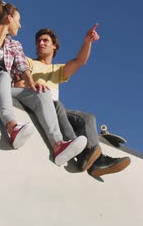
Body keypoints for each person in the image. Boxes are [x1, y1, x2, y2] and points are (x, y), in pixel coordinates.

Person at [0, 0, 86, 166]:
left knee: (42, 92)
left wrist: (32, 83)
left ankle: (58, 145)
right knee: (4, 76)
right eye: (18, 20)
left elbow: (22, 67)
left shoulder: (14, 45)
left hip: (2, 85)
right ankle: (12, 127)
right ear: (9, 19)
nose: (20, 25)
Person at [16, 25, 131, 177]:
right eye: (38, 41)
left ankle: (97, 162)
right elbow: (18, 83)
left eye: (45, 40)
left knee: (87, 118)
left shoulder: (57, 69)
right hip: (36, 103)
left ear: (54, 46)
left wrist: (87, 41)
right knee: (57, 105)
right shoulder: (29, 62)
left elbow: (79, 61)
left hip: (57, 109)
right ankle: (84, 155)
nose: (40, 43)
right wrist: (32, 86)